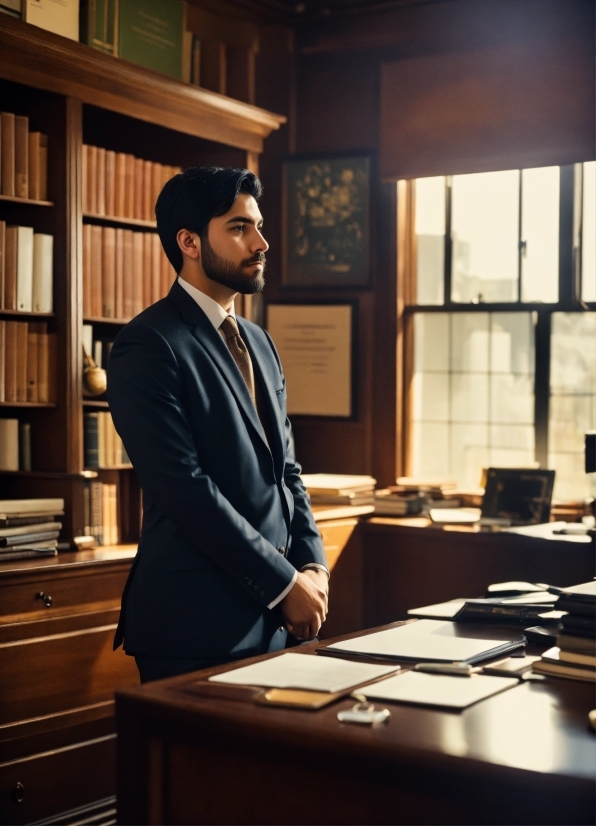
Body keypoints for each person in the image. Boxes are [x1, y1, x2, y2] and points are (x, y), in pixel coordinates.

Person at [108, 166, 329, 683]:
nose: (261, 242)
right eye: (238, 228)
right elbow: (184, 489)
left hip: (280, 621)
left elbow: (287, 473)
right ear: (188, 241)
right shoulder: (147, 345)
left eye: (258, 225)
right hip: (194, 627)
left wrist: (313, 568)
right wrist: (283, 585)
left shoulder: (260, 342)